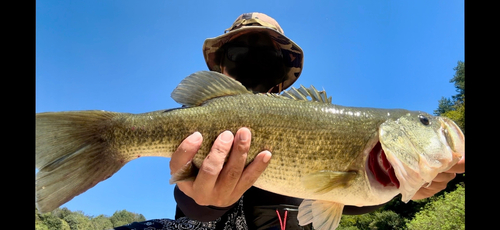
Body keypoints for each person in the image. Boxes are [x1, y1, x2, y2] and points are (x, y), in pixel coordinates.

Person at [115, 12, 465, 230]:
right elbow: (192, 206)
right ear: (220, 69)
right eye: (240, 55)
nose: (254, 64)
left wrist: (399, 184)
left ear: (284, 75)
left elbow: (344, 196)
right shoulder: (208, 117)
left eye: (268, 57)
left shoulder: (312, 127)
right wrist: (204, 202)